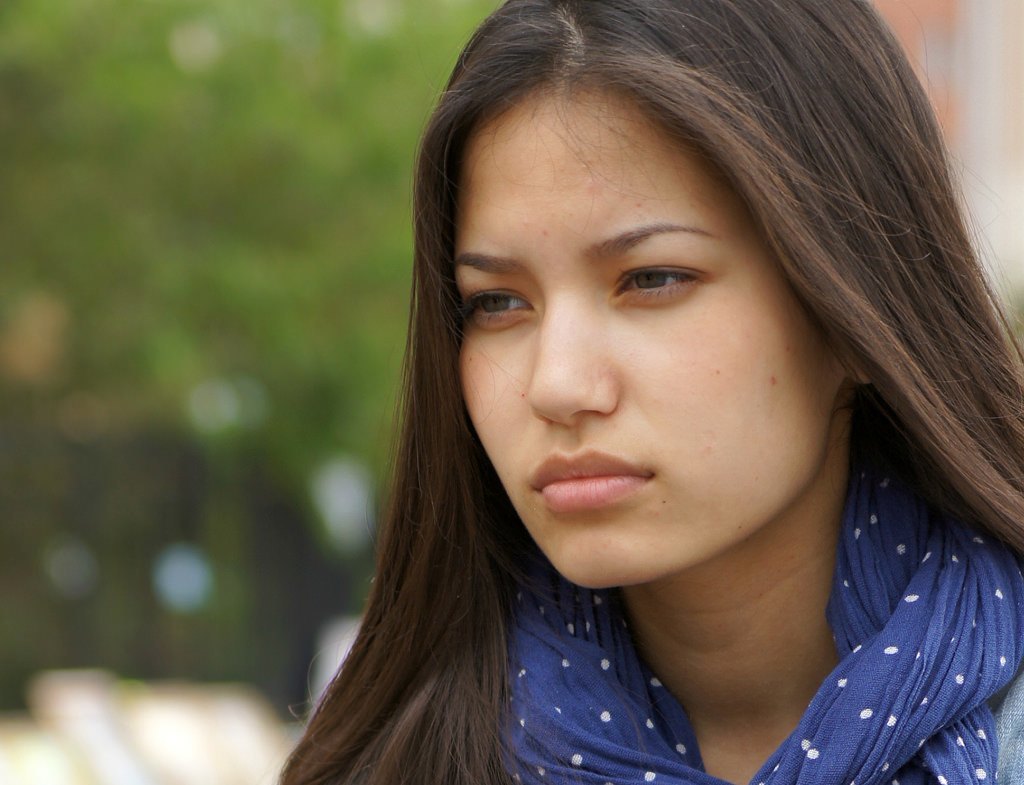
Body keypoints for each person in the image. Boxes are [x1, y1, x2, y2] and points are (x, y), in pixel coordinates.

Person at [281, 1, 1024, 783]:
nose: (557, 385)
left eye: (652, 279)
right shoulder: (395, 756)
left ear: (854, 307)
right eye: (496, 302)